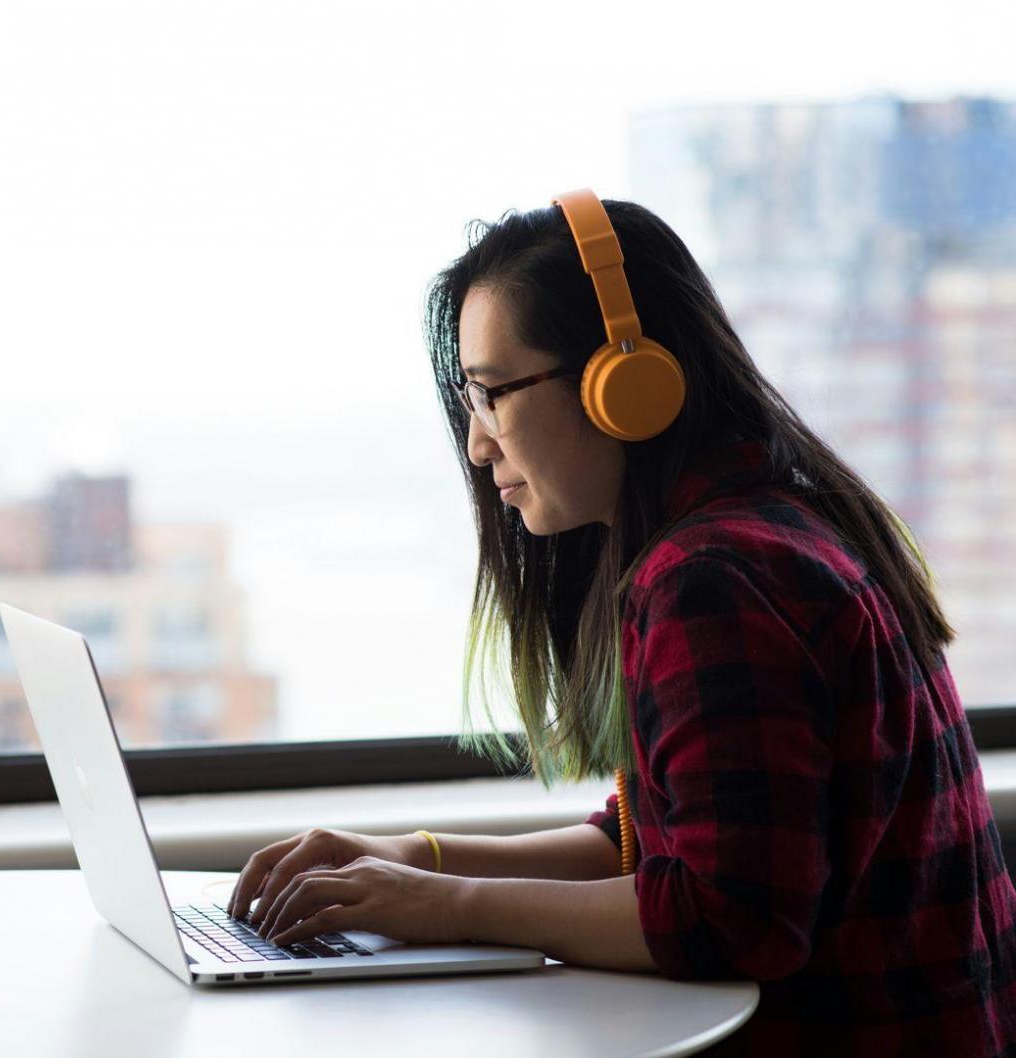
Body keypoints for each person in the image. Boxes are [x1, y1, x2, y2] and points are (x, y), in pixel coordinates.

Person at [226, 192, 1016, 1055]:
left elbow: (730, 917)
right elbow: (649, 839)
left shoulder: (713, 579)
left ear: (624, 382)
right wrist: (419, 858)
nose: (479, 444)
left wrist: (441, 909)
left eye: (492, 394)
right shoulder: (768, 524)